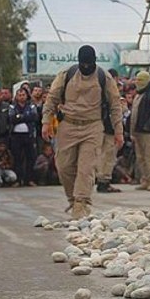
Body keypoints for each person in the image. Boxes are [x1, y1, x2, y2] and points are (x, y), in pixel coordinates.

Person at [42, 45, 124, 218]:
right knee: (63, 166)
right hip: (68, 126)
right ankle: (73, 199)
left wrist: (119, 131)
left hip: (93, 126)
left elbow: (115, 105)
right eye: (83, 64)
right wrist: (45, 122)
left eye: (89, 64)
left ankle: (81, 203)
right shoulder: (67, 75)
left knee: (86, 168)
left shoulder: (104, 77)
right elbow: (51, 99)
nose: (86, 68)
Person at [8, 87, 38, 186]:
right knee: (17, 158)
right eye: (19, 95)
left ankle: (29, 179)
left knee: (30, 157)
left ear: (27, 96)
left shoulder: (31, 106)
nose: (21, 97)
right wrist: (24, 117)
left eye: (23, 95)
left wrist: (20, 116)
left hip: (28, 135)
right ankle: (18, 179)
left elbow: (34, 117)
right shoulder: (12, 107)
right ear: (16, 97)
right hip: (16, 135)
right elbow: (12, 118)